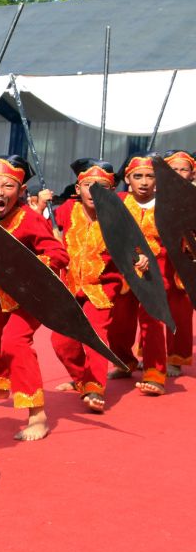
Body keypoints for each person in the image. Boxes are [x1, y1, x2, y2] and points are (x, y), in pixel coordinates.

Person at [0, 156, 69, 440]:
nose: (0, 192)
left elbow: (59, 255)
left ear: (21, 190)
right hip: (3, 294)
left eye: (8, 185)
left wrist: (27, 268)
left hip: (34, 293)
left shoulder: (30, 219)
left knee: (15, 341)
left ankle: (37, 414)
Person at [50, 158, 132, 414]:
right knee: (60, 341)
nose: (94, 191)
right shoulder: (65, 211)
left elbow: (137, 248)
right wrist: (42, 206)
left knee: (96, 338)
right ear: (77, 189)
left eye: (102, 187)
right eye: (88, 184)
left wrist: (138, 259)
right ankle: (82, 379)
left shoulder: (119, 217)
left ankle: (95, 387)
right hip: (69, 287)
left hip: (102, 288)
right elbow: (41, 230)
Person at [109, 154, 167, 395]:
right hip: (122, 270)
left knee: (152, 322)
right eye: (138, 176)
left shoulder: (166, 207)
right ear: (127, 179)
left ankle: (155, 373)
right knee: (118, 320)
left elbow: (176, 240)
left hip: (156, 270)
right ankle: (124, 361)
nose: (144, 182)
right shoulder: (118, 202)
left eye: (150, 176)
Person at [160, 149, 194, 376]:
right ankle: (151, 356)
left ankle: (175, 358)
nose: (179, 173)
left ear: (192, 174)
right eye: (174, 169)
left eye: (184, 169)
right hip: (158, 258)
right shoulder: (153, 194)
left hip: (185, 261)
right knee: (151, 312)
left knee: (180, 312)